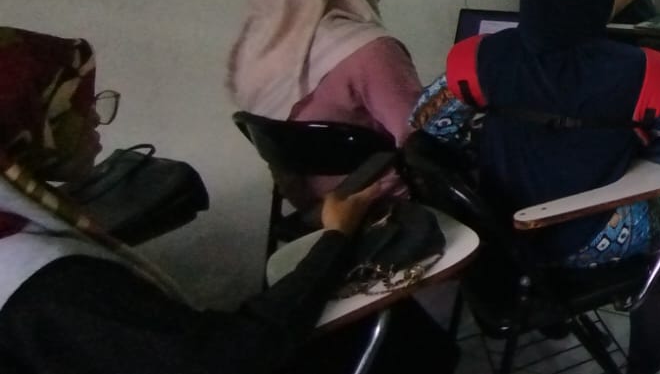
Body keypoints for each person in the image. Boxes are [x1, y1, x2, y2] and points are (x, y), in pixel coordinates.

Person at [0, 27, 456, 374]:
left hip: (302, 212)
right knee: (402, 333)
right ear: (30, 129)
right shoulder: (50, 287)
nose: (95, 119)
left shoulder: (262, 44)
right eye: (77, 108)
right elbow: (236, 353)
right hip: (353, 216)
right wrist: (336, 238)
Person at [410, 0, 660, 374]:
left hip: (499, 232)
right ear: (599, 2)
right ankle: (651, 360)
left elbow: (427, 126)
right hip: (591, 234)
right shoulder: (645, 69)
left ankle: (551, 318)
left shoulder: (477, 57)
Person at [227, 0, 422, 210]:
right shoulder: (370, 50)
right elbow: (421, 137)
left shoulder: (254, 53)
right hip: (384, 203)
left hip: (312, 210)